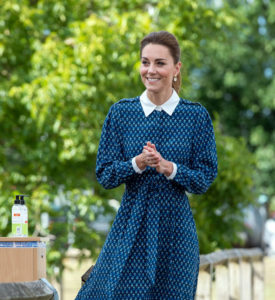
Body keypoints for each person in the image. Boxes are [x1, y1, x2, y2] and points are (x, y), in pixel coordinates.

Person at [75, 31, 218, 299]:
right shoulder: (121, 113)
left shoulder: (195, 116)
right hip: (130, 227)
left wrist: (169, 168)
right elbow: (105, 175)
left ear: (176, 68)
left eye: (160, 63)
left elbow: (204, 177)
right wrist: (137, 163)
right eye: (145, 62)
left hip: (175, 234)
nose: (150, 70)